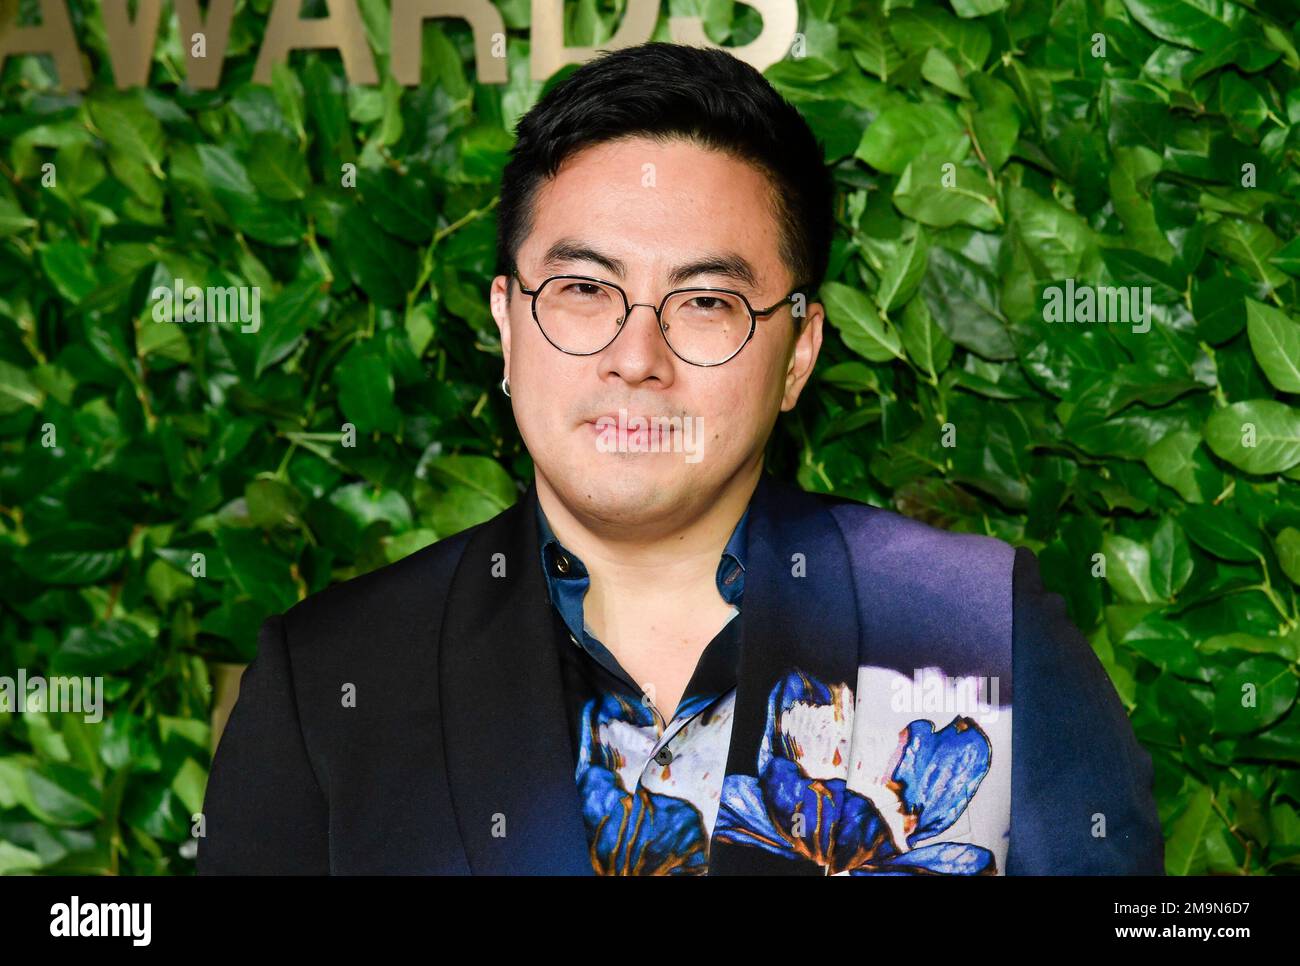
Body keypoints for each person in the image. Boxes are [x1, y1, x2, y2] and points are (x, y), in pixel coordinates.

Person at [198, 41, 1164, 876]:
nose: (635, 358)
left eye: (706, 302)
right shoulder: (331, 678)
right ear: (506, 323)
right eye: (582, 288)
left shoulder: (979, 632)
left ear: (799, 354)